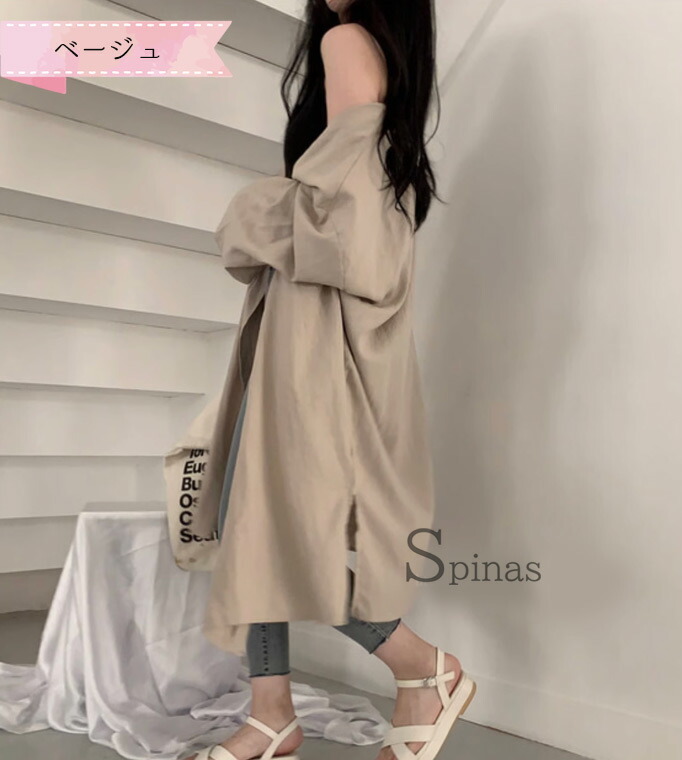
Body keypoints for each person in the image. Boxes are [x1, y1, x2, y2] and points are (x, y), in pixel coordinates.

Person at [185, 2, 475, 759]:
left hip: (312, 335)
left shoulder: (348, 41)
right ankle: (271, 712)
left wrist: (250, 210)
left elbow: (341, 225)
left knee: (269, 522)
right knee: (265, 516)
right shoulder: (377, 59)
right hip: (310, 326)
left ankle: (419, 665)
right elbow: (357, 217)